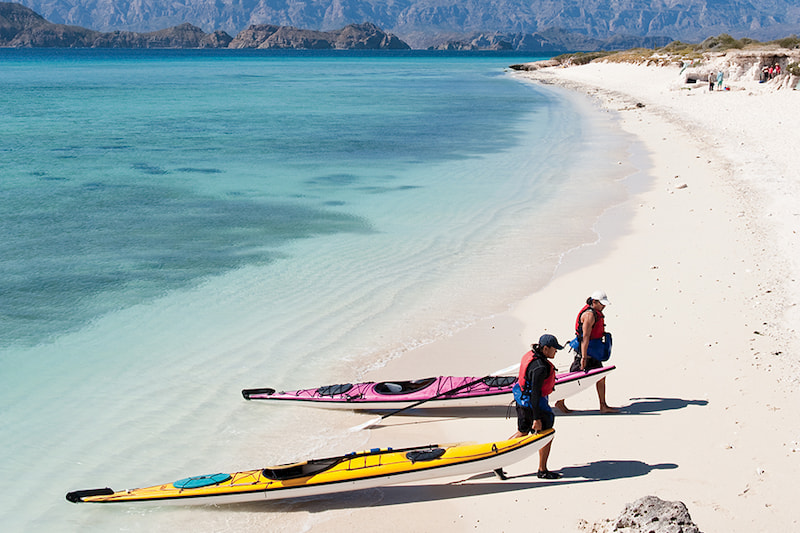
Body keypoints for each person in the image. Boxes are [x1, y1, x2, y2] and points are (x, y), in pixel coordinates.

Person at [497, 334, 564, 480]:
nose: (556, 351)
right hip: (533, 406)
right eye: (554, 349)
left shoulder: (532, 356)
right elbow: (535, 394)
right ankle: (542, 470)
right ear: (545, 349)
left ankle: (498, 460)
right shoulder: (540, 368)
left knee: (522, 432)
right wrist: (537, 418)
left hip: (522, 402)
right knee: (547, 434)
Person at [554, 290, 619, 414]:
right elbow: (585, 337)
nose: (604, 306)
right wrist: (583, 358)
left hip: (593, 352)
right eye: (601, 304)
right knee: (572, 379)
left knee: (601, 376)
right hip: (585, 353)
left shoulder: (596, 312)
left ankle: (603, 406)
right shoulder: (589, 315)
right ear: (594, 302)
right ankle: (560, 401)